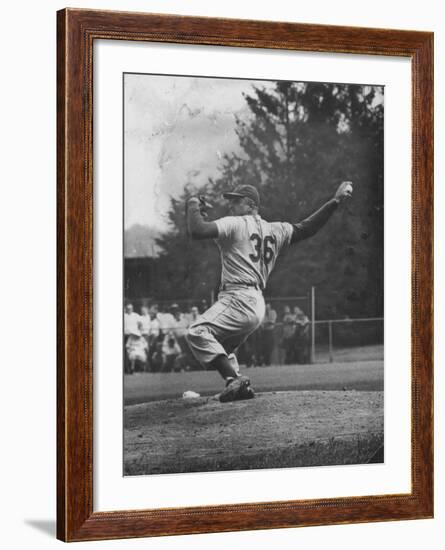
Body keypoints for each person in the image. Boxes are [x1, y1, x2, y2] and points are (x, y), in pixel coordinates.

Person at [185, 182, 353, 402]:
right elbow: (308, 227)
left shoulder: (237, 224)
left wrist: (192, 205)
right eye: (231, 201)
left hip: (238, 297)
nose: (231, 205)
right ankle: (239, 386)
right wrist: (335, 201)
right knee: (222, 347)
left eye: (237, 201)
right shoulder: (277, 229)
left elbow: (197, 230)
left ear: (251, 204)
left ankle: (232, 380)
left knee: (196, 332)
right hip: (256, 303)